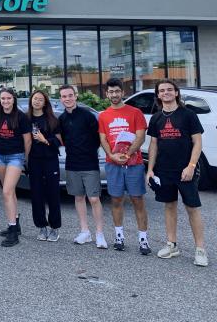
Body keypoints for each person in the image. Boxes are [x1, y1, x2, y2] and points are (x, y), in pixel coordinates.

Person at [146, 79, 208, 267]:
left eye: (169, 90)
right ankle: (172, 245)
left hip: (185, 170)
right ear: (158, 95)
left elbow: (197, 142)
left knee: (192, 208)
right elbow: (154, 145)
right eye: (162, 90)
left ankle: (200, 249)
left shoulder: (188, 115)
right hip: (164, 170)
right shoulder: (156, 118)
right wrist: (149, 170)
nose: (166, 93)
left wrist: (191, 165)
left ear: (176, 93)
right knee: (169, 206)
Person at [98, 78, 150, 255]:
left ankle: (143, 239)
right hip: (113, 164)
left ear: (122, 92)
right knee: (116, 200)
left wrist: (127, 155)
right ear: (107, 94)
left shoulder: (135, 112)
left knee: (137, 200)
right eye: (111, 92)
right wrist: (112, 155)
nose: (114, 94)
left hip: (134, 164)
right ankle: (119, 236)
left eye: (117, 91)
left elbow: (140, 137)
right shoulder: (104, 115)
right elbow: (103, 139)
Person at [58, 85, 107, 249]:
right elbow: (62, 139)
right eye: (64, 96)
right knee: (78, 197)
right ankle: (85, 231)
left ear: (76, 96)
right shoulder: (62, 119)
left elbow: (98, 138)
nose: (67, 98)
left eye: (70, 95)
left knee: (94, 198)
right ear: (61, 99)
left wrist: (90, 151)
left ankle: (100, 233)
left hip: (89, 162)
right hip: (72, 163)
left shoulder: (88, 116)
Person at [0, 88, 31, 247]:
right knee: (10, 192)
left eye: (8, 98)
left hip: (16, 157)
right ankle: (15, 223)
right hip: (0, 157)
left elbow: (27, 141)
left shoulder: (21, 117)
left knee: (6, 191)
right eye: (3, 99)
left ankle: (13, 232)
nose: (6, 101)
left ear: (13, 99)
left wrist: (24, 160)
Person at [27, 89, 63, 243]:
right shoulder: (25, 120)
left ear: (45, 102)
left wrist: (45, 140)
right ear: (31, 101)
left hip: (50, 160)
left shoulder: (52, 120)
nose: (37, 101)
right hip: (34, 161)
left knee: (53, 194)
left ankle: (55, 228)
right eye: (35, 99)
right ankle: (42, 226)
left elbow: (59, 142)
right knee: (36, 195)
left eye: (40, 99)